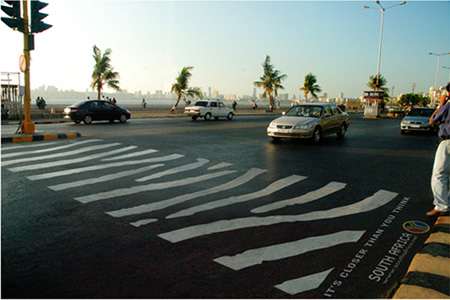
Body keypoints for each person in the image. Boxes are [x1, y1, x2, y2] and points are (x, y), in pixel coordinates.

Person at [427, 82, 450, 216]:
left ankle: (441, 205)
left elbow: (432, 120)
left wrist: (441, 105)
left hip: (447, 142)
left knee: (439, 174)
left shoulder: (447, 107)